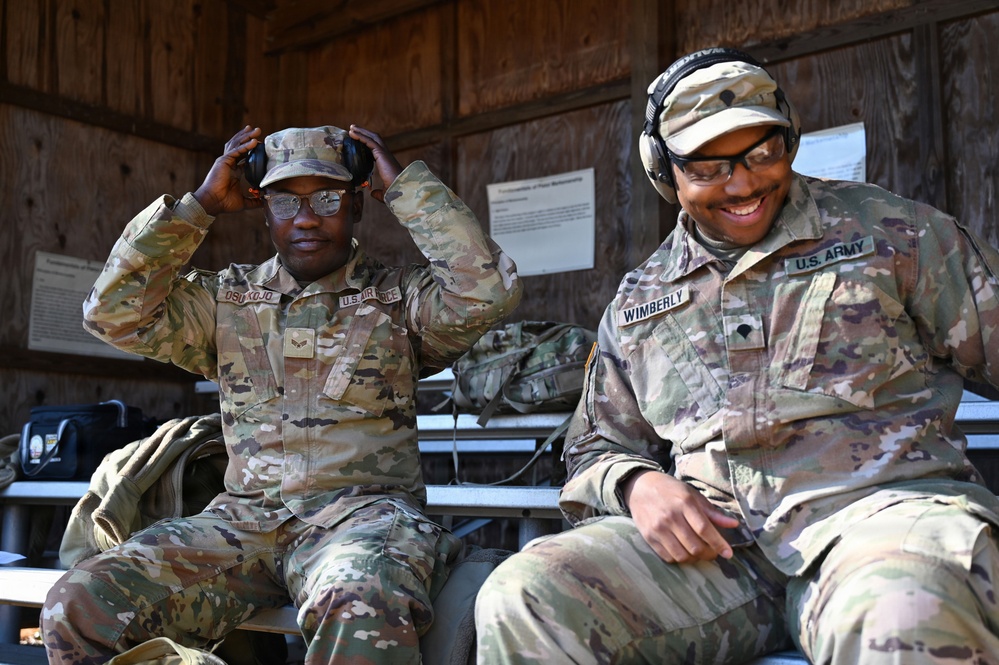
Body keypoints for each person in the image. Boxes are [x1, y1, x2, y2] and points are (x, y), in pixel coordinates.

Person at [474, 46, 999, 664]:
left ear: (789, 141)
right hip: (719, 552)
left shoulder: (894, 235)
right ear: (664, 172)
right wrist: (637, 483)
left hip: (877, 523)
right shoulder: (640, 298)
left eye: (762, 153)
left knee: (906, 607)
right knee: (525, 596)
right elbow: (595, 447)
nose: (744, 183)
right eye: (708, 167)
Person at [41, 123, 522, 664]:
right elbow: (111, 314)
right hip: (240, 524)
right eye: (285, 202)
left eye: (328, 198)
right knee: (79, 603)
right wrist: (199, 207)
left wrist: (408, 191)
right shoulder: (227, 300)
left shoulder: (400, 298)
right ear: (262, 208)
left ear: (357, 204)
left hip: (361, 521)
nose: (307, 218)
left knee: (362, 599)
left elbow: (488, 292)